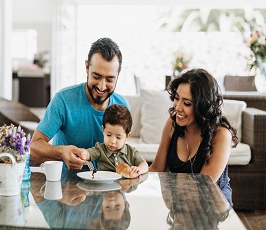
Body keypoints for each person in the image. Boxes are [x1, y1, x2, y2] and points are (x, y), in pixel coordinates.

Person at [30, 37, 129, 170]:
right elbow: (33, 148)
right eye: (96, 76)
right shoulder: (64, 100)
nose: (102, 86)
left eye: (110, 79)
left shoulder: (123, 107)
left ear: (118, 73)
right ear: (87, 67)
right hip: (67, 186)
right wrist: (61, 153)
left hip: (111, 187)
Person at [148, 68, 238, 205]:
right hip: (180, 203)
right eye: (177, 98)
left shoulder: (220, 134)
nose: (178, 107)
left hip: (213, 205)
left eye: (187, 103)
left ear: (203, 107)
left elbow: (202, 187)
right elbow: (156, 169)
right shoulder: (173, 122)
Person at [81, 104, 148, 178]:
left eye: (118, 137)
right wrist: (83, 154)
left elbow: (144, 164)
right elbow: (88, 153)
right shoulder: (100, 149)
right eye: (109, 135)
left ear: (127, 136)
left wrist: (139, 169)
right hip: (105, 186)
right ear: (103, 130)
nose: (112, 141)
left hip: (126, 187)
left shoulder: (131, 152)